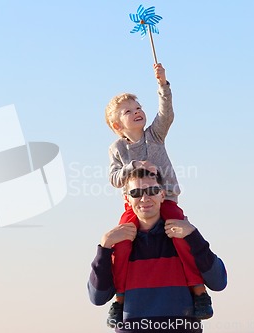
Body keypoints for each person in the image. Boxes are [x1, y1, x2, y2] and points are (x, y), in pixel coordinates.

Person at [104, 63, 213, 325]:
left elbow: (166, 114)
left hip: (167, 199)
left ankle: (199, 291)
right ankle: (120, 299)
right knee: (122, 244)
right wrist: (133, 167)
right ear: (118, 124)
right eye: (128, 111)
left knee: (181, 237)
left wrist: (163, 85)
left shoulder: (155, 135)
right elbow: (114, 178)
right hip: (134, 207)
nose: (137, 112)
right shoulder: (118, 148)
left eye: (138, 107)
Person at [87, 168, 227, 332]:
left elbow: (219, 282)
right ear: (127, 199)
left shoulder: (184, 236)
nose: (144, 198)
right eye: (136, 193)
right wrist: (104, 247)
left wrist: (194, 237)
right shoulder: (119, 244)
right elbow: (97, 297)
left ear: (162, 195)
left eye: (152, 191)